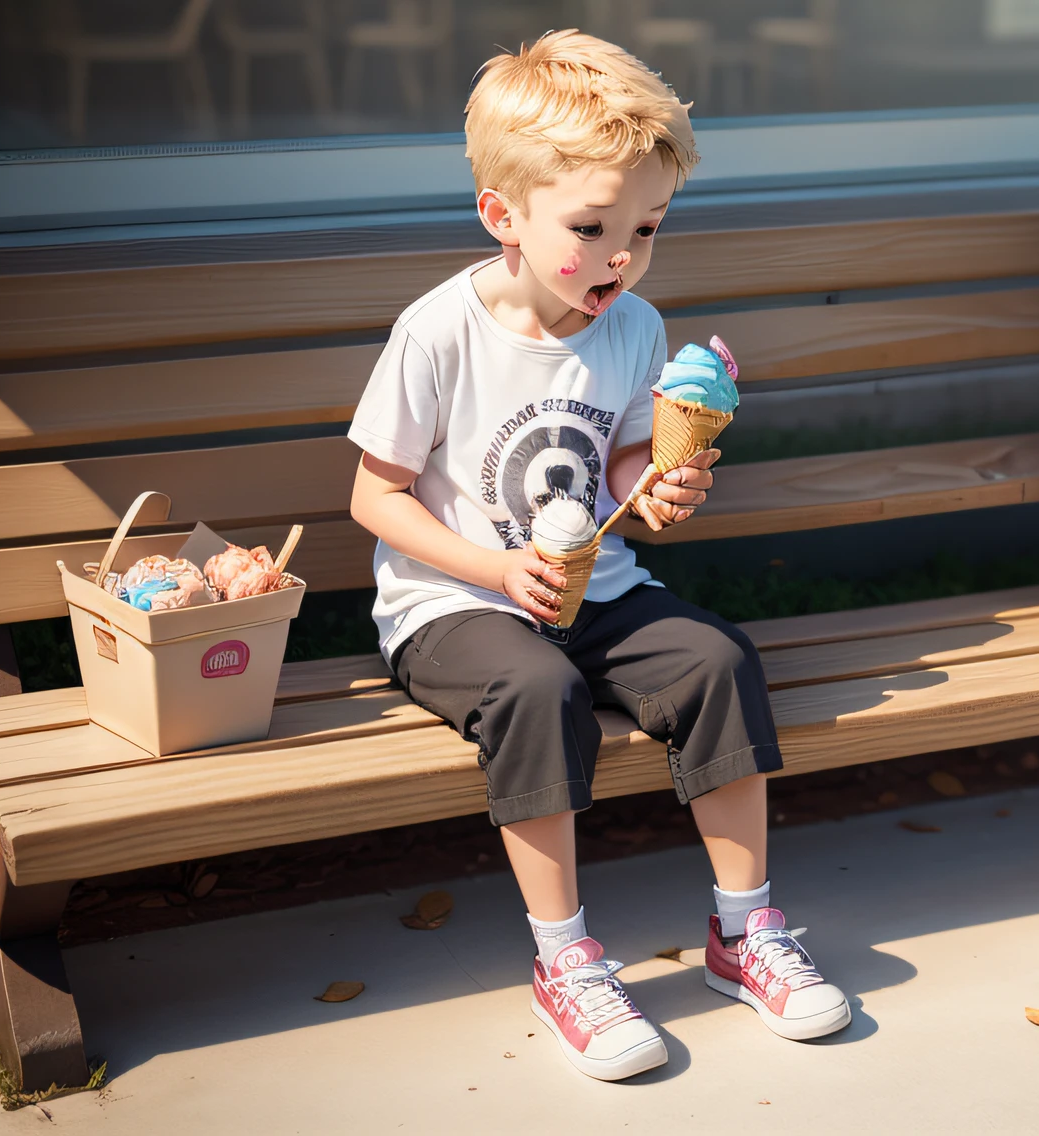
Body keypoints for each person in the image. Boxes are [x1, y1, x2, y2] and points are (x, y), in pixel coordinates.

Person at [347, 30, 848, 1081]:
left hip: (601, 587)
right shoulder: (438, 331)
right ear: (504, 216)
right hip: (453, 605)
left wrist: (654, 485)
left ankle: (744, 929)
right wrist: (493, 573)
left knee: (716, 659)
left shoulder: (632, 325)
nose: (621, 256)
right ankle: (565, 956)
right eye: (591, 228)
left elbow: (620, 453)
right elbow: (373, 496)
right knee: (536, 688)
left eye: (648, 228)